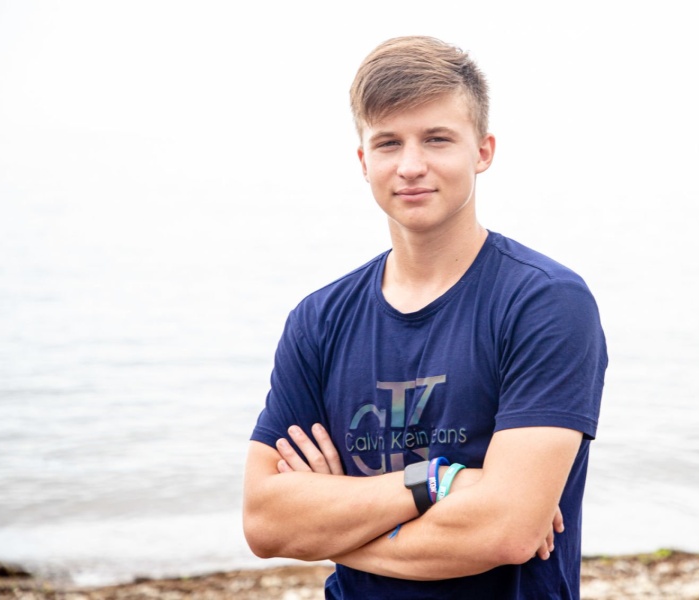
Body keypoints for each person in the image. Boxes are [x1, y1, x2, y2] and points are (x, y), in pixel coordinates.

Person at [243, 35, 607, 599]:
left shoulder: (545, 303)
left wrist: (330, 529)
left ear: (482, 151)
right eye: (388, 143)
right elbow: (266, 522)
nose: (411, 166)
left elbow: (506, 532)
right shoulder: (318, 320)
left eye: (437, 139)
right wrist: (438, 481)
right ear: (364, 161)